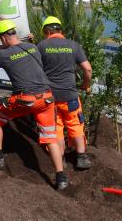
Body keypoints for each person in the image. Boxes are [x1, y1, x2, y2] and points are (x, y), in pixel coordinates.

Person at [0, 19, 68, 190]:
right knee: (50, 138)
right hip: (47, 99)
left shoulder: (3, 55)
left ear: (3, 38)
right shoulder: (33, 48)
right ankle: (61, 177)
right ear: (15, 33)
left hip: (26, 99)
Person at [37, 16, 93, 169]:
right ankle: (81, 158)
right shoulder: (73, 46)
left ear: (47, 32)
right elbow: (87, 69)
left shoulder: (41, 46)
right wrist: (85, 85)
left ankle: (60, 159)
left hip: (50, 97)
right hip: (70, 96)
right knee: (75, 124)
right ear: (60, 30)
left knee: (57, 128)